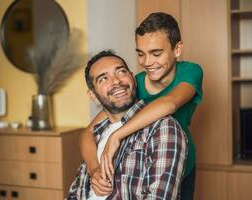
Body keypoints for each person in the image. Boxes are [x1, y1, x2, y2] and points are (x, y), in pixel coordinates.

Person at [79, 12, 203, 200]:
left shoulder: (191, 71)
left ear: (177, 50)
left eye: (156, 53)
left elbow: (169, 103)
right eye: (140, 54)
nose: (147, 62)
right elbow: (87, 133)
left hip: (181, 160)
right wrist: (94, 169)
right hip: (146, 159)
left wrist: (116, 136)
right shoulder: (132, 84)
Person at [68, 50, 187, 199]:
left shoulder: (162, 128)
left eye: (121, 72)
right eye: (103, 78)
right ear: (93, 96)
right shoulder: (95, 135)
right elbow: (75, 193)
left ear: (133, 79)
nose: (116, 81)